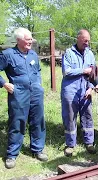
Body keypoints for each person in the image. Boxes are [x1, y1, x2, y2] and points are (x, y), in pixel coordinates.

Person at [0, 27, 48, 169]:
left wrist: (39, 85)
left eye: (31, 39)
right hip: (18, 93)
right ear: (19, 40)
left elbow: (38, 71)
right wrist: (4, 84)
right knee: (17, 122)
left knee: (38, 121)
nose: (30, 41)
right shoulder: (8, 54)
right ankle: (12, 154)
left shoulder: (33, 54)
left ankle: (38, 149)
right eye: (28, 39)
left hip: (36, 93)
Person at [61, 29, 96, 157]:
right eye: (85, 40)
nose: (87, 43)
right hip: (70, 90)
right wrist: (83, 70)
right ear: (78, 38)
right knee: (70, 117)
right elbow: (67, 71)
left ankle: (89, 142)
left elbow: (93, 74)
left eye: (88, 41)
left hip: (85, 90)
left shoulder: (90, 54)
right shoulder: (69, 53)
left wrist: (91, 87)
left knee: (88, 115)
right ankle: (70, 144)